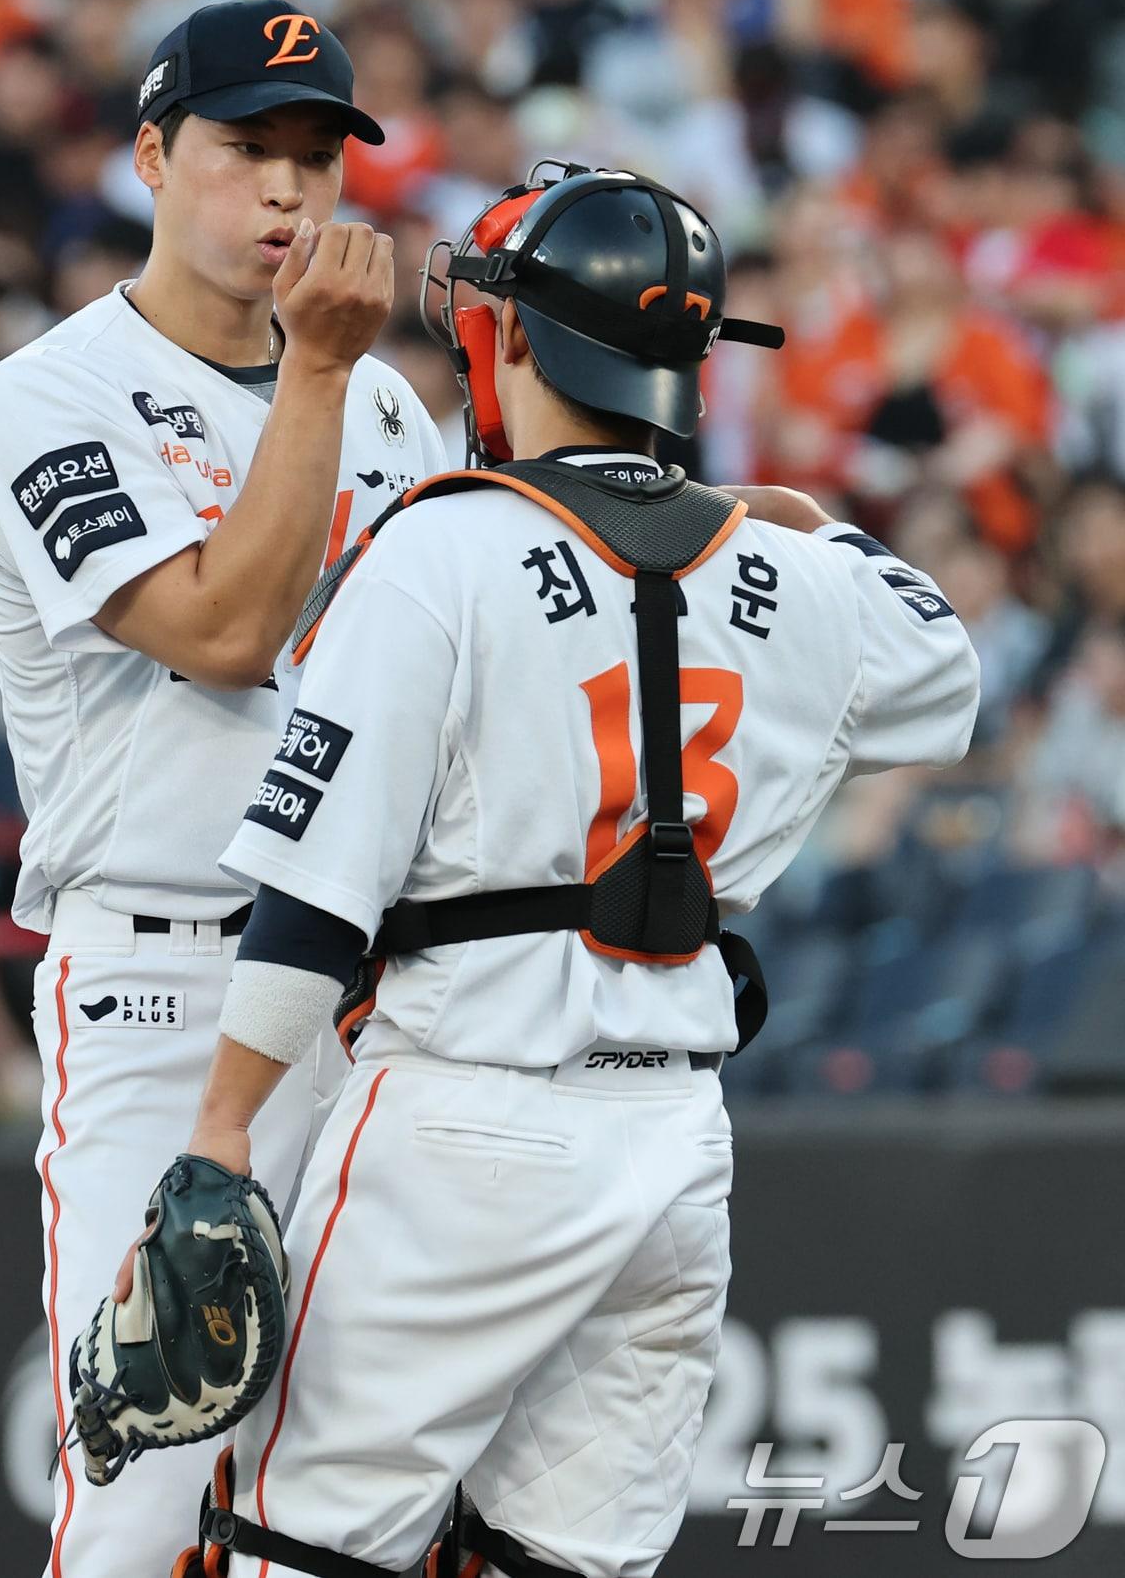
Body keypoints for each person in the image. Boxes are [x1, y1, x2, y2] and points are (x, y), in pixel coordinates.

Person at [138, 166, 980, 1576]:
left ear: (513, 335)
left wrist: (220, 1129)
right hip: (672, 1149)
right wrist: (797, 514)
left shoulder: (442, 547)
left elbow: (311, 907)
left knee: (301, 1547)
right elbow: (945, 661)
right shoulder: (806, 584)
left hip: (466, 1121)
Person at [0, 0, 449, 1578]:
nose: (290, 195)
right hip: (167, 988)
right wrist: (315, 374)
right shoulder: (41, 400)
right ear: (153, 153)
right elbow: (226, 633)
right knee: (149, 1493)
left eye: (318, 157)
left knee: (346, 1507)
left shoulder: (379, 398)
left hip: (365, 993)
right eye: (247, 151)